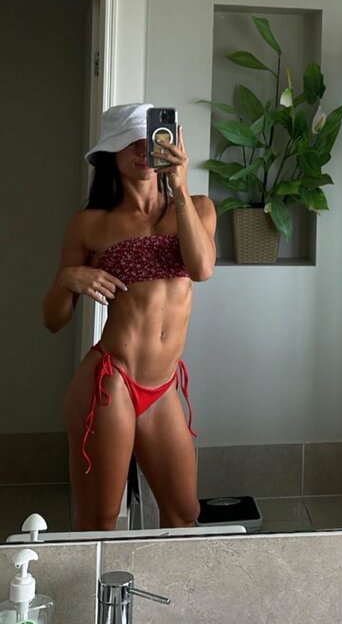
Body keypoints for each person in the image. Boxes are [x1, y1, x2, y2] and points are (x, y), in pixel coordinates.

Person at [42, 103, 216, 532]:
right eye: (130, 143)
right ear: (111, 153)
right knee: (99, 521)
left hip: (162, 386)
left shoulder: (197, 207)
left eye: (150, 140)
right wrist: (67, 280)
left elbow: (201, 269)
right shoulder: (90, 224)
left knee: (185, 514)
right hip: (111, 380)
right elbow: (54, 320)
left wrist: (179, 186)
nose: (143, 151)